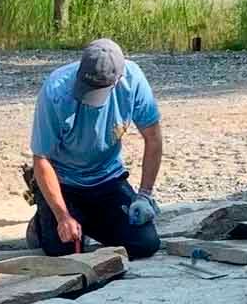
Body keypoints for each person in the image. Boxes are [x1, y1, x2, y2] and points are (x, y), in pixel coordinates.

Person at [28, 37, 164, 258]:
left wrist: (144, 196)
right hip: (64, 181)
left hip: (107, 179)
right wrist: (62, 216)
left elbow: (153, 138)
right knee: (61, 251)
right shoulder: (55, 90)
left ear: (118, 79)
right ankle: (43, 221)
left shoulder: (134, 80)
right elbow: (41, 158)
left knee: (145, 244)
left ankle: (85, 220)